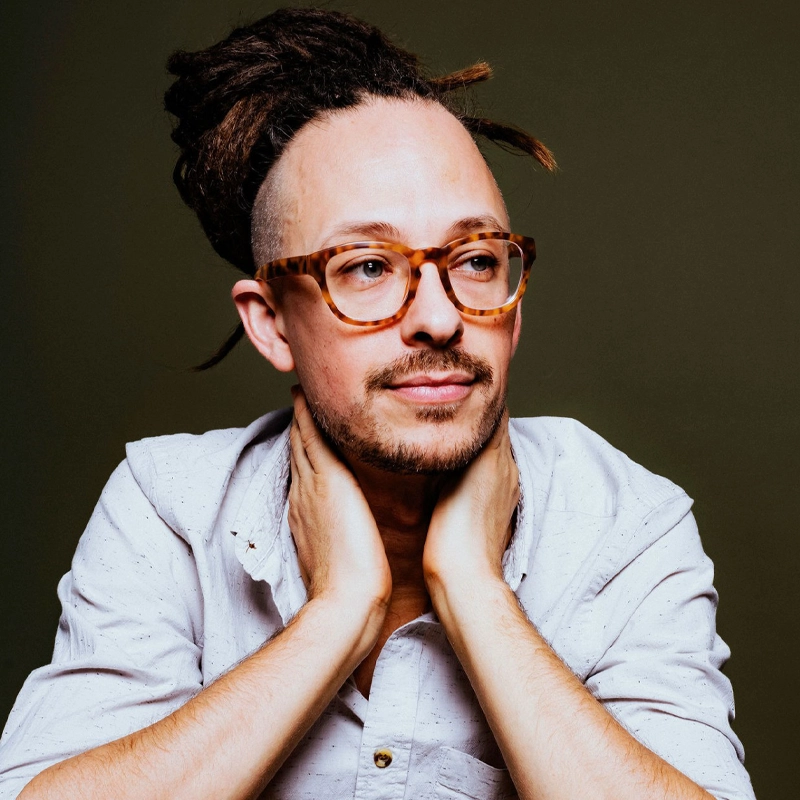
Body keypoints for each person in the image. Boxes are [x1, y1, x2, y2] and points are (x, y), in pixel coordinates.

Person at [0, 8, 755, 800]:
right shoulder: (171, 508)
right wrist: (337, 613)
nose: (438, 315)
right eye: (366, 266)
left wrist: (474, 589)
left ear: (515, 302)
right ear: (272, 325)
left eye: (474, 259)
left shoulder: (624, 522)